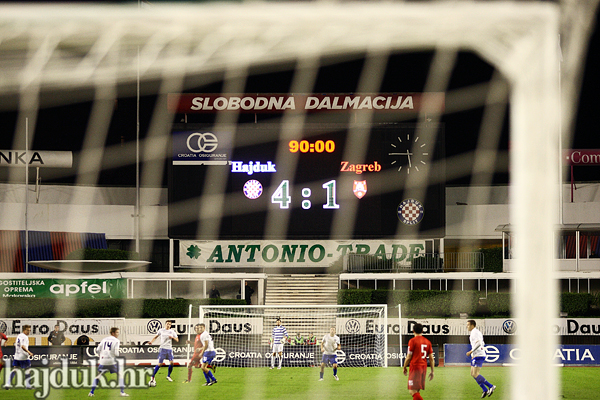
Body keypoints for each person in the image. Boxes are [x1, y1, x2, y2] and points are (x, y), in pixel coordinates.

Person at [88, 327, 128, 397]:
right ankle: (122, 392)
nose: (118, 334)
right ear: (113, 333)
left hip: (103, 361)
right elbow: (116, 354)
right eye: (117, 332)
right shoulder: (116, 341)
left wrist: (102, 355)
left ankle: (91, 392)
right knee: (120, 374)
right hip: (112, 361)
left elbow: (97, 350)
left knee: (98, 376)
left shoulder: (104, 339)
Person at [403, 323, 434, 400]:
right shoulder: (427, 342)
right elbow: (431, 358)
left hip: (415, 367)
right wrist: (432, 371)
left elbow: (409, 356)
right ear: (422, 331)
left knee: (412, 391)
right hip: (423, 368)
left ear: (413, 331)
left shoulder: (412, 341)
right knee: (417, 390)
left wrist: (404, 367)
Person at [466, 320, 496, 398]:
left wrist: (471, 351)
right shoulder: (476, 332)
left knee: (475, 374)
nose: (467, 326)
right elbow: (482, 343)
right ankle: (485, 390)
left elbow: (479, 343)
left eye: (468, 325)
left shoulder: (475, 332)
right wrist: (473, 354)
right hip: (476, 355)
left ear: (472, 325)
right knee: (472, 374)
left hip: (478, 355)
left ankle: (491, 386)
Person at [148, 320, 178, 384]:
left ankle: (168, 376)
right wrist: (151, 342)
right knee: (160, 364)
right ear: (165, 324)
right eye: (167, 324)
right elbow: (155, 337)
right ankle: (153, 376)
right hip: (162, 348)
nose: (168, 325)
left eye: (170, 324)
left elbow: (177, 339)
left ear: (171, 325)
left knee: (172, 363)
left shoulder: (172, 332)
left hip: (169, 349)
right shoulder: (161, 330)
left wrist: (172, 337)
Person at [9, 324, 34, 389]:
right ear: (24, 330)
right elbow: (22, 346)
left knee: (15, 369)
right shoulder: (25, 337)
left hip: (17, 356)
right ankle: (28, 385)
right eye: (28, 330)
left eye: (30, 330)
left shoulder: (19, 336)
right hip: (24, 356)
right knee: (28, 370)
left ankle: (7, 384)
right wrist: (29, 352)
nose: (29, 332)